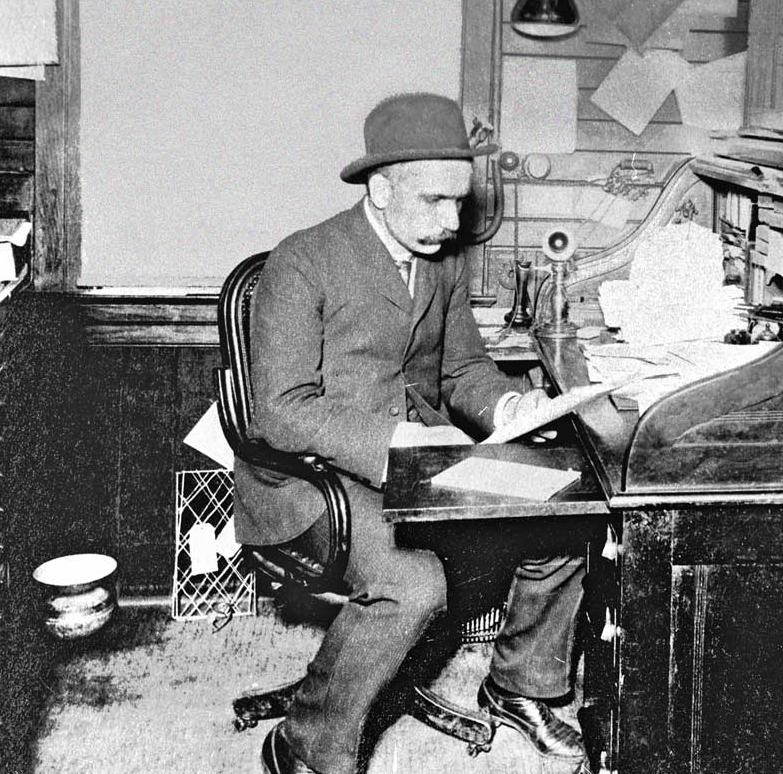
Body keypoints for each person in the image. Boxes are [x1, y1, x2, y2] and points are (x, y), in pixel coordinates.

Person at [234, 92, 587, 774]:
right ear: (380, 188)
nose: (451, 221)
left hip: (421, 463)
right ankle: (303, 741)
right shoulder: (302, 260)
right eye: (434, 201)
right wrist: (396, 443)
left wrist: (508, 406)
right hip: (312, 479)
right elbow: (279, 410)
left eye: (459, 201)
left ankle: (520, 686)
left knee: (564, 519)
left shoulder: (441, 261)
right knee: (414, 583)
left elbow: (463, 369)